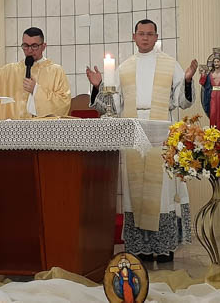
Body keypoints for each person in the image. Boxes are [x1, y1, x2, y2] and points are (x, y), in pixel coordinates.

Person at [87, 19, 197, 262]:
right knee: (133, 191)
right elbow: (113, 107)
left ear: (156, 37)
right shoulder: (124, 68)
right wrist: (98, 86)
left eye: (150, 34)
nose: (145, 38)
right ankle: (139, 249)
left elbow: (183, 101)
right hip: (133, 131)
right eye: (141, 33)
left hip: (161, 131)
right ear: (134, 36)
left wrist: (188, 81)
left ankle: (164, 248)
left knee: (163, 191)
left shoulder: (170, 64)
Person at [0, 27, 71, 120]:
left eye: (34, 46)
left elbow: (63, 104)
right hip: (12, 131)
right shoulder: (9, 71)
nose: (29, 50)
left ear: (43, 46)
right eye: (25, 46)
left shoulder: (56, 71)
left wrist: (36, 90)